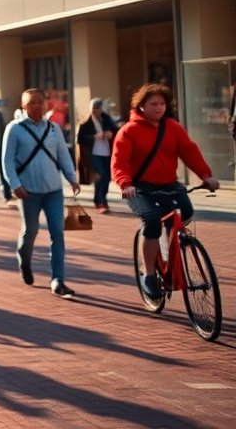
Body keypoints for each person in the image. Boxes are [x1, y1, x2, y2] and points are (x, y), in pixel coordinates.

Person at [112, 83, 220, 301]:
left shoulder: (172, 127)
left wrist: (206, 176)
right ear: (141, 106)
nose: (159, 108)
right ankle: (150, 274)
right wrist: (125, 184)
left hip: (170, 185)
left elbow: (189, 151)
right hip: (140, 187)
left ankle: (171, 250)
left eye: (162, 103)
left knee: (186, 213)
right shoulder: (129, 131)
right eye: (153, 104)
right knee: (151, 221)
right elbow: (119, 161)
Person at [2, 88, 80, 299]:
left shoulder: (54, 128)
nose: (37, 105)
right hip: (28, 191)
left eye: (40, 102)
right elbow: (7, 161)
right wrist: (14, 184)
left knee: (58, 233)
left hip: (53, 189)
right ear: (23, 106)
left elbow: (63, 156)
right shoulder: (14, 129)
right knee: (31, 231)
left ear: (45, 105)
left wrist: (72, 178)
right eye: (32, 103)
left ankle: (58, 279)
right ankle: (24, 261)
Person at [76, 98, 119, 213]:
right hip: (93, 153)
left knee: (107, 177)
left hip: (107, 152)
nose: (95, 112)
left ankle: (99, 199)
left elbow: (117, 132)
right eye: (93, 110)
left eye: (97, 109)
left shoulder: (107, 119)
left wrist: (111, 134)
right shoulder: (85, 122)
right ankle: (101, 201)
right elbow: (80, 139)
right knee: (101, 175)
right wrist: (94, 136)